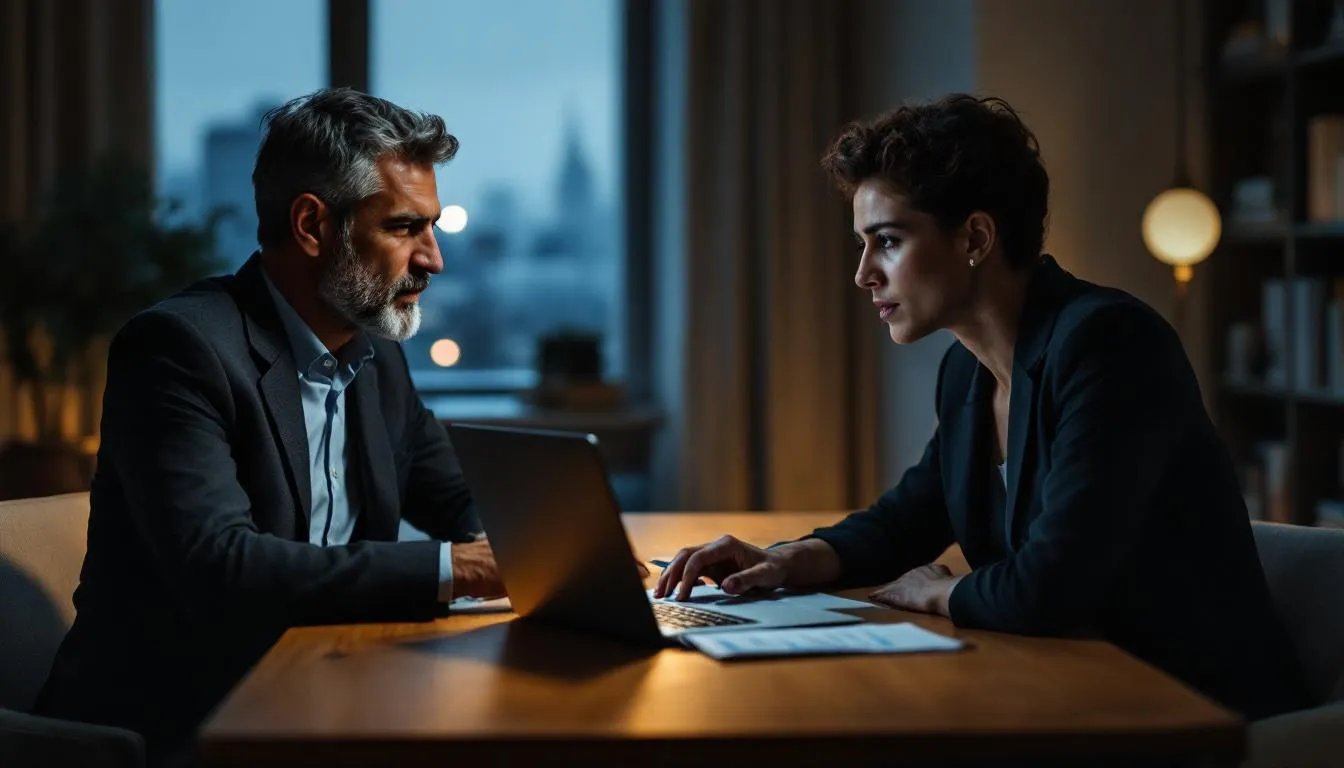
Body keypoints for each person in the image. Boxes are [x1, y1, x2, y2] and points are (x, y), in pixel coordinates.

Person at [655, 94, 1311, 721]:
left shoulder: (1110, 344)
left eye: (886, 241)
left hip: (1191, 710)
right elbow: (906, 519)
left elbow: (1054, 584)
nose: (863, 274)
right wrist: (784, 559)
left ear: (974, 237)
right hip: (1074, 684)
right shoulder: (968, 370)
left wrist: (937, 592)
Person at [34, 88, 508, 765]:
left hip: (328, 688)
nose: (432, 260)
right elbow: (222, 567)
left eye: (429, 228)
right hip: (179, 722)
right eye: (405, 228)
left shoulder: (375, 354)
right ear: (313, 225)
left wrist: (561, 548)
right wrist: (457, 568)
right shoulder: (178, 348)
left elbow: (456, 497)